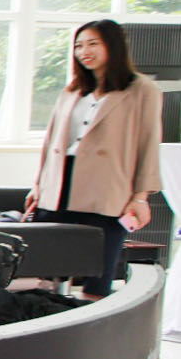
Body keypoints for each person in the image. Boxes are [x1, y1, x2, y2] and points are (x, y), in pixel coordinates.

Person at [26, 19, 163, 299]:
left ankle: (92, 319)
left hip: (107, 188)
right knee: (48, 266)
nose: (83, 51)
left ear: (113, 46)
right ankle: (48, 316)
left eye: (92, 44)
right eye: (78, 46)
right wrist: (38, 185)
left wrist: (140, 197)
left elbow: (148, 144)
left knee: (98, 271)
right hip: (60, 185)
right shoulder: (73, 90)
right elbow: (51, 143)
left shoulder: (141, 89)